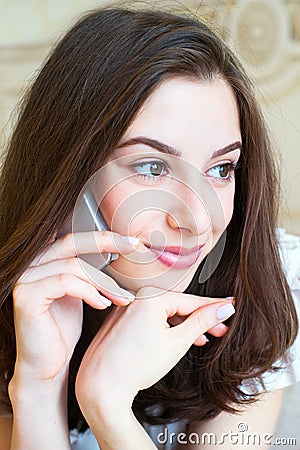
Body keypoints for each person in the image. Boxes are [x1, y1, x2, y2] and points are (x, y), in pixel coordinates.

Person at [0, 5, 299, 450]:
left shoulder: (267, 279)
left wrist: (106, 404)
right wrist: (39, 388)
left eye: (221, 169)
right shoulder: (20, 296)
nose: (198, 221)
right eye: (152, 167)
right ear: (66, 170)